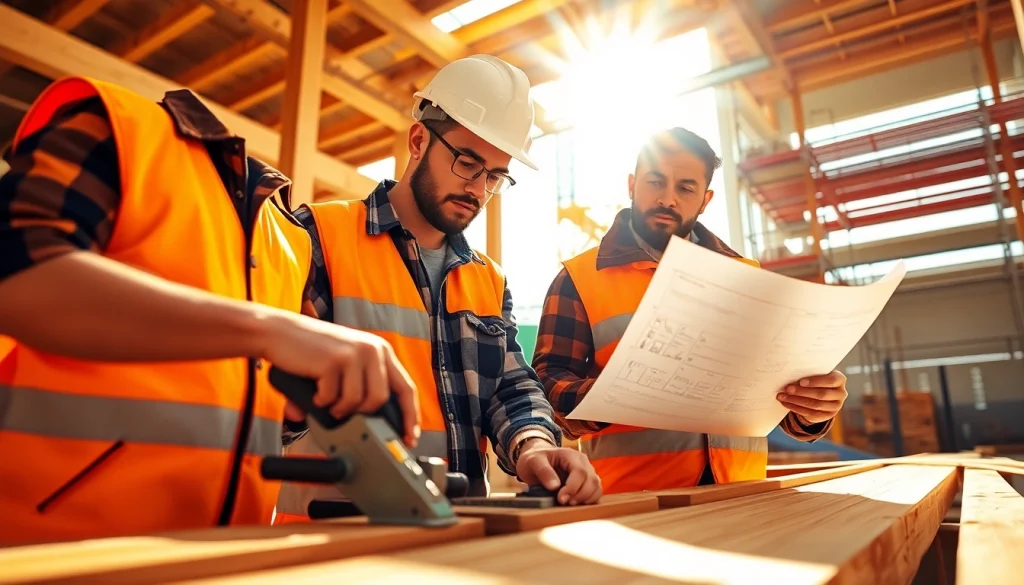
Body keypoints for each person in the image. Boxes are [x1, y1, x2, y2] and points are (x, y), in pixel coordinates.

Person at [0, 77, 419, 545]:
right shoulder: (120, 130)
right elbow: (15, 271)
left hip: (225, 555)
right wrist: (269, 330)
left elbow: (259, 408)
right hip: (54, 548)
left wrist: (303, 409)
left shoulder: (288, 237)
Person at [274, 55, 602, 522]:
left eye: (494, 176)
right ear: (417, 139)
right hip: (331, 537)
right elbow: (271, 387)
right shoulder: (316, 235)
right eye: (468, 162)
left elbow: (510, 387)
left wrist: (534, 445)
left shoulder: (489, 278)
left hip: (458, 530)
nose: (478, 188)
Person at [531, 127, 848, 495]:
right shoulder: (579, 278)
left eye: (685, 188)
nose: (668, 199)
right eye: (655, 182)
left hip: (742, 497)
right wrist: (620, 396)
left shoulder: (748, 276)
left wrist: (812, 409)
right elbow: (546, 387)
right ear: (632, 185)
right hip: (634, 505)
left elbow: (778, 395)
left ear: (705, 199)